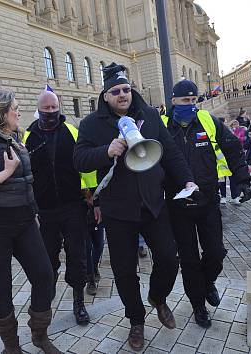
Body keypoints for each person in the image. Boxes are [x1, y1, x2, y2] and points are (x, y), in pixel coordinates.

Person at [74, 62, 196, 351]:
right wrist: (106, 151)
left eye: (126, 89)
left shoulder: (150, 116)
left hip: (154, 205)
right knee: (125, 271)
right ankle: (136, 321)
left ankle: (157, 296)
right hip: (118, 211)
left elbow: (171, 154)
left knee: (168, 259)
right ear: (105, 95)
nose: (122, 95)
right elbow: (79, 160)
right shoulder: (91, 125)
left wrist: (188, 180)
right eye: (115, 91)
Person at [0, 88, 62, 354]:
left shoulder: (14, 138)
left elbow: (27, 181)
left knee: (44, 277)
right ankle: (12, 347)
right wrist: (3, 174)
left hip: (24, 221)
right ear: (1, 111)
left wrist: (34, 212)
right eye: (15, 107)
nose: (19, 111)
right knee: (1, 289)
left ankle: (39, 336)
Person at [160, 80, 251, 328]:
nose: (190, 105)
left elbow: (233, 149)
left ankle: (208, 280)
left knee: (216, 253)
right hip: (178, 206)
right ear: (173, 101)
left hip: (207, 201)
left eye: (194, 101)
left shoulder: (209, 121)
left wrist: (243, 181)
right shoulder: (161, 126)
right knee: (189, 260)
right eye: (184, 101)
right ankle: (198, 305)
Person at [22, 90, 93, 325]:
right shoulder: (28, 136)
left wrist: (92, 198)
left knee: (78, 257)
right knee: (47, 259)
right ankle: (46, 302)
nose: (51, 112)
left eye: (54, 108)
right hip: (45, 211)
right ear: (38, 109)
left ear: (59, 107)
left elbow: (85, 167)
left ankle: (78, 302)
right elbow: (25, 173)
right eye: (46, 109)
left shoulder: (72, 131)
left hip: (73, 206)